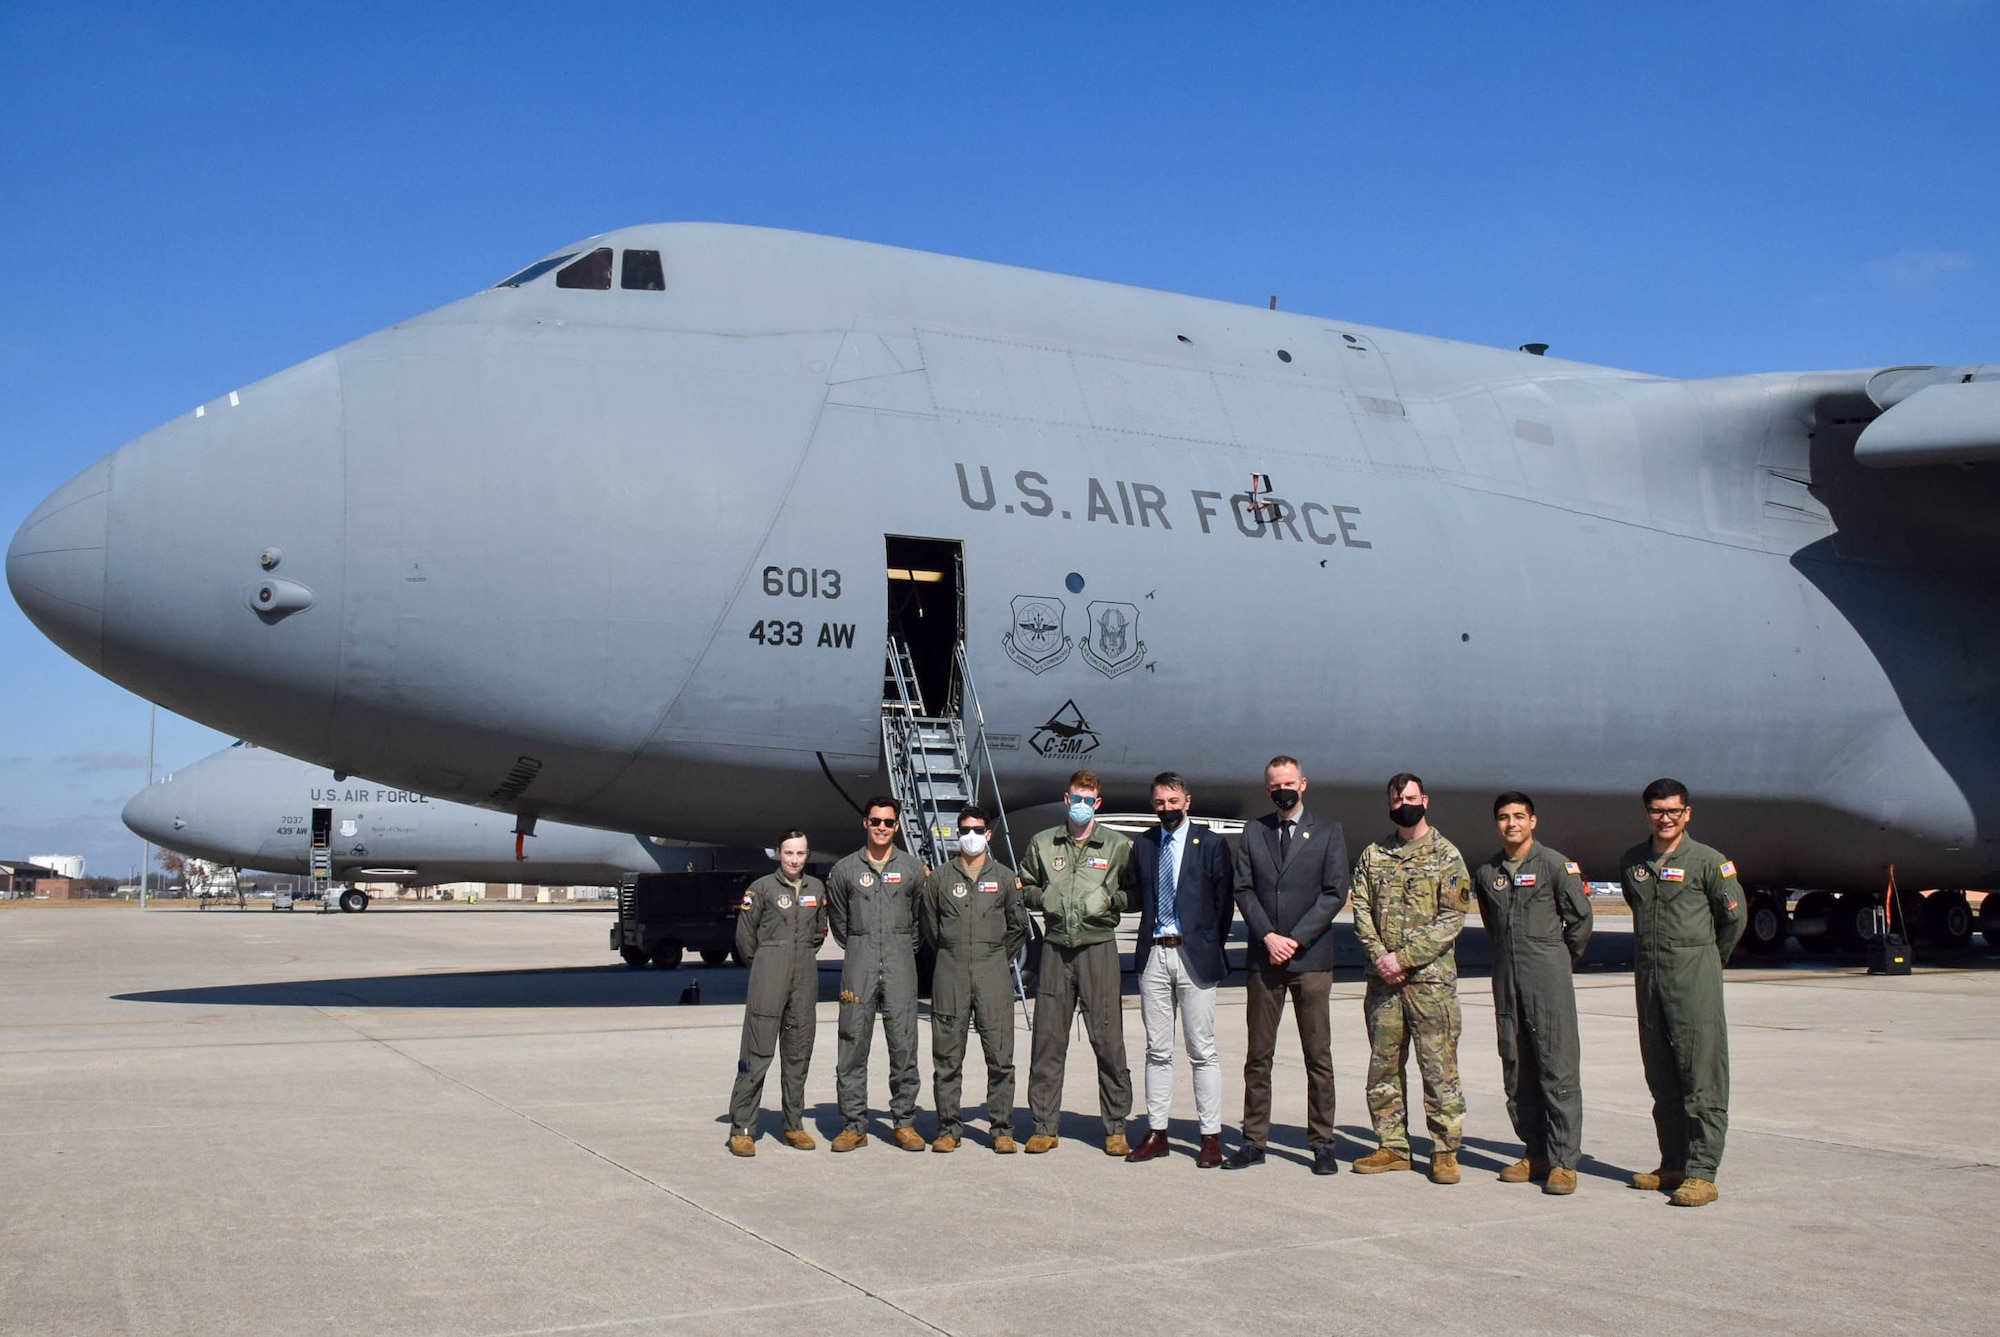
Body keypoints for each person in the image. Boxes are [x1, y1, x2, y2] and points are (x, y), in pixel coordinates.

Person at [1619, 778, 1746, 1208]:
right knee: (1662, 1076)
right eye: (1658, 810)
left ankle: (1702, 1172)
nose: (1666, 818)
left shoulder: (1709, 862)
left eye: (1674, 810)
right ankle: (1672, 1163)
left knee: (1702, 1077)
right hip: (1650, 980)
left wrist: (1707, 963)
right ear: (1646, 813)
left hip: (1694, 979)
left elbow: (1732, 921)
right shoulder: (1634, 862)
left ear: (1687, 813)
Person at [1225, 756, 1349, 1175]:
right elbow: (1243, 888)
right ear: (1267, 789)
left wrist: (1295, 938)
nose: (1283, 789)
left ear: (1304, 784)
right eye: (1276, 784)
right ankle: (1254, 1139)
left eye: (1290, 782)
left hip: (1310, 959)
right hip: (1266, 959)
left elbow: (1334, 892)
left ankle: (1322, 1143)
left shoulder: (1329, 831)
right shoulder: (1254, 830)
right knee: (1259, 1055)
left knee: (1318, 1055)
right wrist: (1267, 936)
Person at [1351, 773, 1472, 1184]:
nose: (1403, 803)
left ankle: (1444, 1150)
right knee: (1383, 1066)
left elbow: (1452, 917)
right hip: (1383, 983)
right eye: (1396, 797)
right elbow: (1361, 910)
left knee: (1439, 1067)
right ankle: (1393, 1146)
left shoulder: (1446, 855)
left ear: (1425, 800)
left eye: (1410, 796)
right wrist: (1380, 957)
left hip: (1430, 984)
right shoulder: (1374, 854)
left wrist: (1403, 958)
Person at [1471, 792, 1593, 1194]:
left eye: (1519, 816)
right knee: (1516, 1067)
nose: (1512, 824)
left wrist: (1555, 961)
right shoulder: (1488, 872)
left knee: (1557, 1067)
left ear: (1533, 821)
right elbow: (1492, 924)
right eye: (1504, 817)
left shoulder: (1557, 865)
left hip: (1548, 977)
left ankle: (1563, 1161)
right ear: (1496, 823)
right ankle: (1535, 1152)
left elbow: (1579, 922)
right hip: (1507, 979)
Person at [1018, 769, 1137, 1155]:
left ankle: (1115, 1126)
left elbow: (1134, 894)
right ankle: (1044, 1125)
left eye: (1089, 800)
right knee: (1049, 1040)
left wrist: (1110, 901)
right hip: (1055, 948)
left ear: (1097, 803)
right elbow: (1026, 886)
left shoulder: (1117, 846)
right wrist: (1043, 900)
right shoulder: (1043, 843)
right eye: (1076, 799)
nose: (1082, 806)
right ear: (1066, 800)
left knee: (1107, 1039)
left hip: (1097, 947)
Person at [1126, 772, 1235, 1167]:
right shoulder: (1144, 844)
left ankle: (1210, 1137)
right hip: (1154, 955)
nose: (1167, 809)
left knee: (1202, 1051)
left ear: (1187, 801)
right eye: (1160, 803)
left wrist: (1208, 945)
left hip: (1194, 955)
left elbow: (1223, 906)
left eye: (1173, 801)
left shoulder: (1211, 844)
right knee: (1157, 1050)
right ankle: (1157, 1132)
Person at [919, 805, 1029, 1154]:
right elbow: (930, 928)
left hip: (992, 971)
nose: (971, 836)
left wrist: (994, 956)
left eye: (977, 830)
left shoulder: (1006, 878)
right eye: (965, 829)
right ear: (957, 832)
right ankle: (949, 1128)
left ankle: (1001, 1129)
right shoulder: (939, 879)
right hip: (950, 971)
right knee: (947, 1057)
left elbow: (1018, 927)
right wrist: (956, 953)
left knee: (1000, 1056)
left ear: (988, 834)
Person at [826, 796, 930, 1152]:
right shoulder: (844, 870)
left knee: (904, 1046)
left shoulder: (914, 870)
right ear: (865, 824)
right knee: (852, 1044)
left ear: (897, 826)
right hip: (860, 960)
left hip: (901, 961)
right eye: (875, 821)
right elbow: (839, 923)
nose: (881, 827)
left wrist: (901, 946)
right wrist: (863, 946)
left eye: (888, 822)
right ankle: (854, 1125)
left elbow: (920, 920)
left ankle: (904, 1123)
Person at [726, 831, 828, 1156]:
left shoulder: (816, 888)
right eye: (788, 853)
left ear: (807, 854)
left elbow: (818, 933)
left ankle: (793, 1125)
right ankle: (742, 1127)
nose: (794, 860)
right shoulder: (761, 889)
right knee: (757, 1052)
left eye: (800, 853)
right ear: (778, 854)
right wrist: (767, 964)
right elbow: (745, 938)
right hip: (769, 971)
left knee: (798, 1053)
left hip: (805, 974)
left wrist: (798, 957)